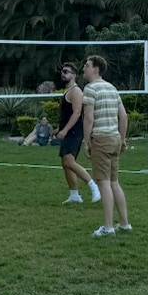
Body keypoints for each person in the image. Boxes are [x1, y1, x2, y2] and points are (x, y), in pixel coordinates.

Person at [82, 55, 131, 237]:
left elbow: (88, 118)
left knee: (104, 183)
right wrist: (123, 139)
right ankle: (124, 224)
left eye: (87, 65)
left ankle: (109, 227)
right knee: (113, 182)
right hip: (114, 138)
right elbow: (124, 116)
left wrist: (87, 141)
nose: (84, 69)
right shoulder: (112, 87)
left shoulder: (90, 89)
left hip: (101, 139)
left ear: (96, 69)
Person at [55, 62, 101, 205]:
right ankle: (74, 195)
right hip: (69, 131)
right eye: (62, 71)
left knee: (69, 161)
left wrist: (65, 130)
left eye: (66, 71)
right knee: (66, 163)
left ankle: (93, 186)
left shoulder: (76, 91)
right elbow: (66, 114)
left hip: (74, 132)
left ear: (74, 75)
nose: (63, 74)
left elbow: (76, 113)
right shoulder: (67, 91)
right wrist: (59, 128)